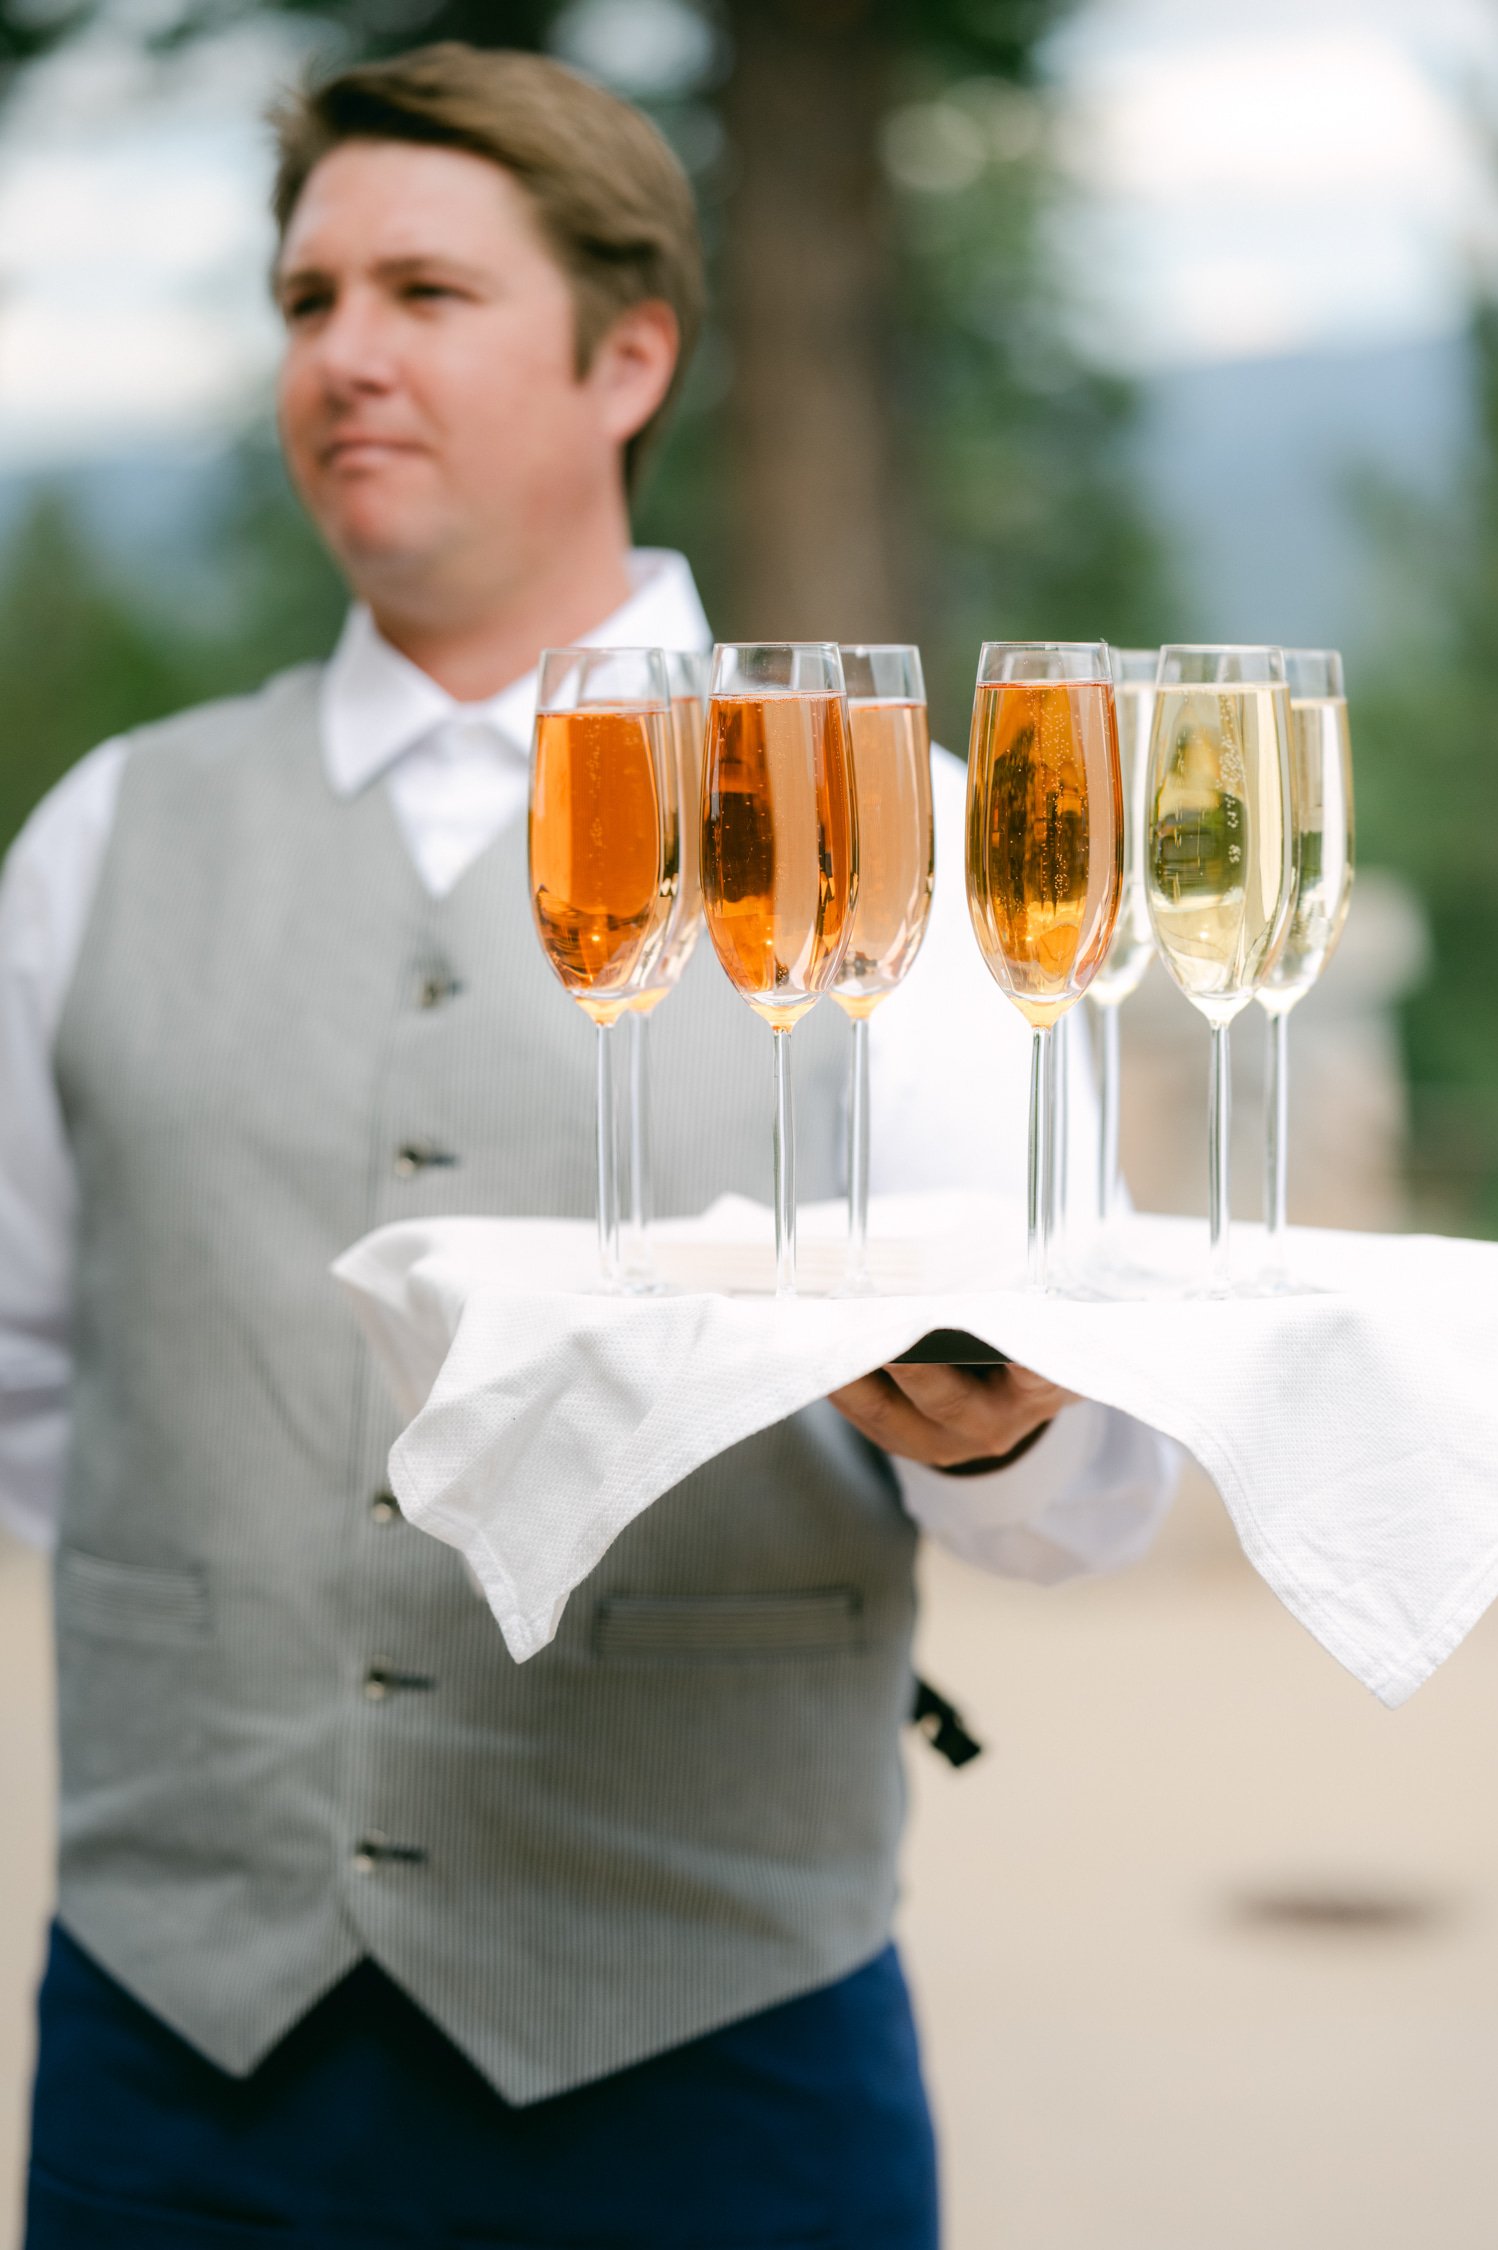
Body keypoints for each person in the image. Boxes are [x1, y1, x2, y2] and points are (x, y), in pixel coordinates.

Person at [0, 44, 1176, 2250]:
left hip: (709, 2062)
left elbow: (1089, 1501)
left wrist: (1002, 1435)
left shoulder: (898, 837)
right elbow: (34, 1397)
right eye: (306, 297)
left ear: (630, 351)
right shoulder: (100, 840)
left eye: (425, 291)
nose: (345, 353)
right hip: (181, 2074)